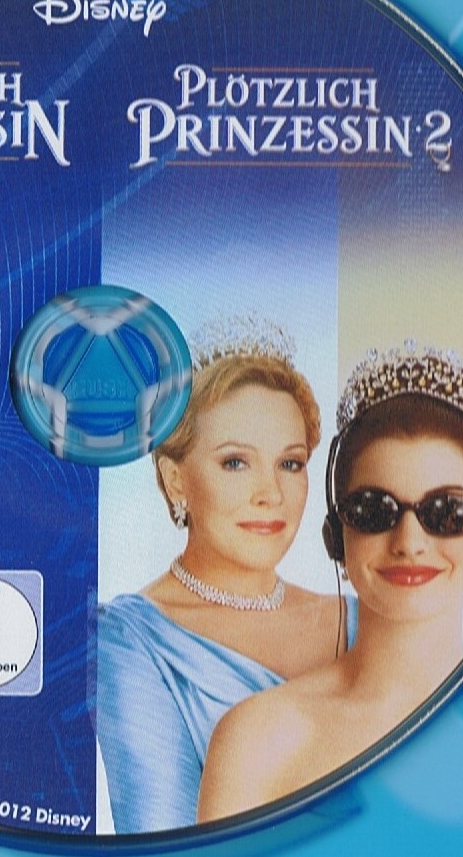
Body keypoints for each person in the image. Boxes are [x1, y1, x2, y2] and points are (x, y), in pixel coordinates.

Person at [197, 342, 463, 822]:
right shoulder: (256, 740)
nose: (409, 542)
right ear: (337, 535)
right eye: (375, 511)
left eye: (447, 512)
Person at [98, 318, 355, 834]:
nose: (270, 494)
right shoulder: (130, 639)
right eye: (236, 463)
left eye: (290, 463)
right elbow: (160, 839)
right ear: (176, 481)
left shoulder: (356, 618)